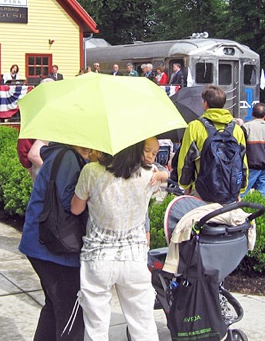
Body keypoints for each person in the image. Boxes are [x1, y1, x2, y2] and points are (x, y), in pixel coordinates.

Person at [71, 141, 160, 341]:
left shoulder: (91, 171)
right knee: (143, 326)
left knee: (96, 329)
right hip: (134, 258)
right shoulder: (148, 174)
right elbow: (161, 180)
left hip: (98, 258)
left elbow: (76, 208)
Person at [18, 142, 90, 341]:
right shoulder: (68, 157)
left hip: (41, 244)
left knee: (54, 307)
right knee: (71, 315)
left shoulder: (61, 153)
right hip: (55, 250)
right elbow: (70, 203)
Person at [176, 85, 248, 197]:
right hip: (229, 192)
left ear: (205, 103)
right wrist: (240, 189)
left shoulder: (195, 126)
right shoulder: (237, 130)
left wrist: (185, 185)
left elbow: (186, 160)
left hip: (202, 191)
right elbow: (243, 162)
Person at [241, 102, 265, 197]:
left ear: (252, 113)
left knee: (242, 194)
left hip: (250, 166)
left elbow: (240, 148)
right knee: (262, 196)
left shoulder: (246, 127)